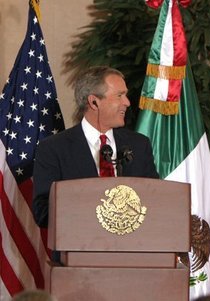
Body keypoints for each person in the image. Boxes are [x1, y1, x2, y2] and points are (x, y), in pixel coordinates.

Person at [32, 66, 159, 227]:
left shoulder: (139, 145)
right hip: (79, 246)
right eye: (119, 96)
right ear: (94, 102)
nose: (127, 102)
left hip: (134, 248)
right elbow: (43, 213)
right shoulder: (54, 149)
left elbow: (156, 200)